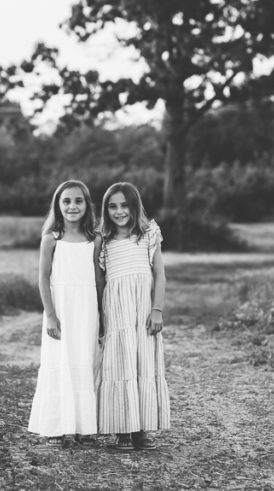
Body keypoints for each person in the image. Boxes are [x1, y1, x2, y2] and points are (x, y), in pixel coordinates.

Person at [27, 179, 103, 446]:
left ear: (86, 205)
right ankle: (58, 427)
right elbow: (43, 278)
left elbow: (98, 279)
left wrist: (102, 314)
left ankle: (84, 428)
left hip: (86, 309)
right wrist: (50, 314)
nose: (73, 206)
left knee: (85, 361)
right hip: (61, 308)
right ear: (58, 206)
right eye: (66, 201)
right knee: (60, 362)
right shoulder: (51, 239)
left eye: (78, 201)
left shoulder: (95, 240)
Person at [96, 181, 170, 451]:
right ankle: (123, 431)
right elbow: (100, 283)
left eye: (124, 205)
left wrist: (157, 308)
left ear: (134, 206)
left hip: (143, 310)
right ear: (106, 210)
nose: (119, 211)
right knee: (120, 364)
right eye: (112, 206)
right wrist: (101, 319)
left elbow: (159, 273)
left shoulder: (148, 233)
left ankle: (141, 430)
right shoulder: (102, 242)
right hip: (116, 311)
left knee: (143, 365)